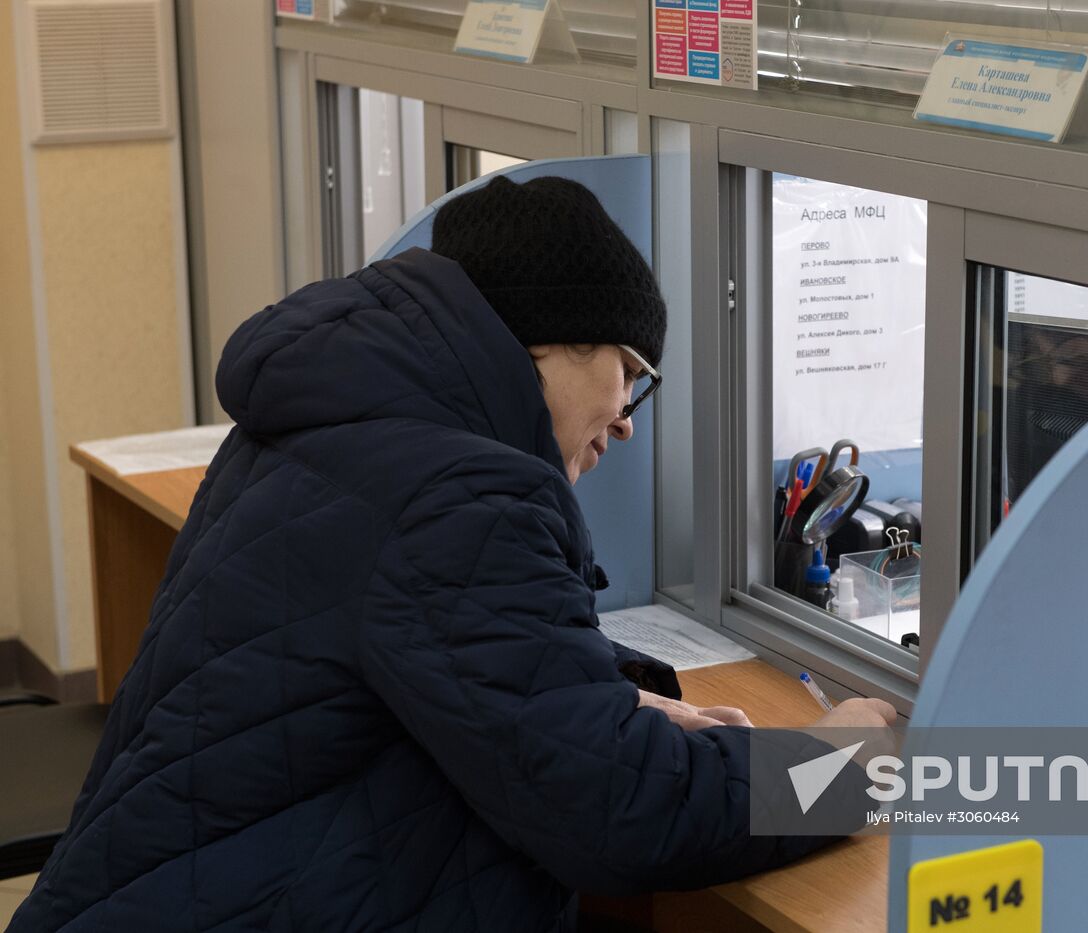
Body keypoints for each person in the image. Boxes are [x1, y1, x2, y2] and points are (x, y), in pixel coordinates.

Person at [8, 176, 895, 932]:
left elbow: (411, 645)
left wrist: (607, 700)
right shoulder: (466, 493)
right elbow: (624, 807)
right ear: (556, 339)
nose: (627, 418)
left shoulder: (337, 417)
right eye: (633, 372)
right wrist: (847, 768)